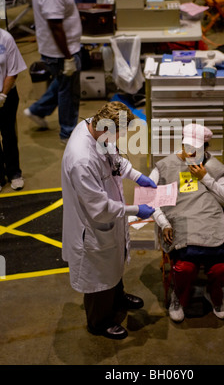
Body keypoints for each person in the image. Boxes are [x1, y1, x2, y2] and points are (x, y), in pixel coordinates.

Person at [61, 101, 156, 339]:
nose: (118, 140)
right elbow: (99, 209)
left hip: (110, 219)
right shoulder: (82, 160)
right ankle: (99, 322)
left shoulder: (94, 127)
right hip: (92, 227)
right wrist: (136, 210)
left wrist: (136, 175)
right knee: (98, 275)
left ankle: (117, 298)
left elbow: (114, 158)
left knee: (113, 262)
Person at [149, 123, 224, 322]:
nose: (191, 153)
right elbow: (149, 199)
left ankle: (217, 297)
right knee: (185, 268)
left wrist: (206, 178)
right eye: (188, 148)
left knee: (219, 269)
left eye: (197, 150)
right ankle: (178, 297)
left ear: (206, 148)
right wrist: (164, 223)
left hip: (210, 225)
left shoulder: (212, 167)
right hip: (182, 226)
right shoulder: (165, 167)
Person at [24, 0, 82, 144]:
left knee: (62, 82)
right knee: (69, 92)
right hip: (60, 51)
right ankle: (68, 134)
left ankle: (36, 110)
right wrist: (68, 57)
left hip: (54, 48)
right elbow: (55, 26)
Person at [0, 28, 27, 191]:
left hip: (7, 95)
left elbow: (13, 71)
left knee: (8, 134)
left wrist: (3, 95)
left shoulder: (5, 38)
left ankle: (14, 173)